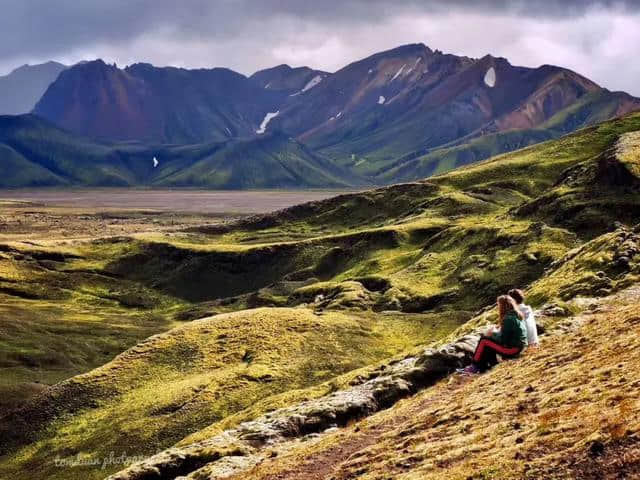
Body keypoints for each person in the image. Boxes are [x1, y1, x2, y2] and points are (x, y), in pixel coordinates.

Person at [459, 295, 528, 375]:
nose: (497, 307)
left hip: (512, 350)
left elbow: (504, 340)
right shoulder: (516, 315)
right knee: (489, 344)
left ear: (503, 306)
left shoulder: (508, 319)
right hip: (518, 347)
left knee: (484, 341)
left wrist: (493, 333)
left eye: (498, 305)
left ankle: (474, 366)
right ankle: (484, 366)